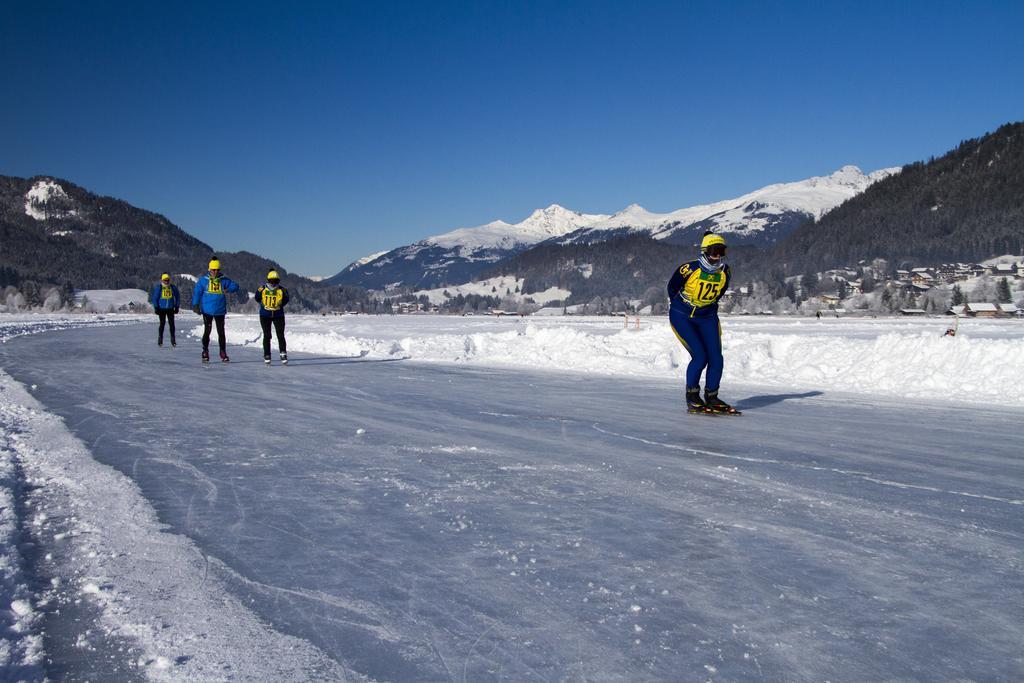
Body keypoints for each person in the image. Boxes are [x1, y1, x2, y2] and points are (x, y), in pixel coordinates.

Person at [667, 232, 738, 414]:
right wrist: (684, 305)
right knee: (700, 357)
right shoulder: (689, 269)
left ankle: (712, 397)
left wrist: (705, 306)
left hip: (708, 317)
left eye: (721, 251)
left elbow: (720, 292)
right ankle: (692, 396)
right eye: (714, 251)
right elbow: (672, 287)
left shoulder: (725, 271)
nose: (718, 255)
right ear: (705, 251)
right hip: (682, 316)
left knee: (716, 358)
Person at [191, 257, 240, 363]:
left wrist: (228, 289)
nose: (215, 272)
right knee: (207, 331)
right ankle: (205, 351)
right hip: (207, 310)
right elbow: (197, 292)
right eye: (213, 270)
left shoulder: (223, 280)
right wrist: (195, 305)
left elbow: (235, 286)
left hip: (220, 310)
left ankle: (223, 352)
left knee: (221, 333)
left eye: (217, 270)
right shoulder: (204, 280)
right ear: (209, 269)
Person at [256, 270, 290, 364]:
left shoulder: (282, 290)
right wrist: (262, 305)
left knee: (280, 335)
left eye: (276, 281)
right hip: (265, 315)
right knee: (267, 335)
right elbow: (257, 297)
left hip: (278, 315)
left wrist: (279, 306)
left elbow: (286, 299)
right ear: (268, 280)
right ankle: (267, 354)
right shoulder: (262, 289)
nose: (274, 283)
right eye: (272, 281)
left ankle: (283, 353)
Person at [149, 273, 179, 347]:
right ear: (162, 280)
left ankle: (173, 339)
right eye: (165, 280)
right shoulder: (159, 288)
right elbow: (155, 298)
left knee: (172, 325)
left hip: (170, 309)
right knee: (162, 324)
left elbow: (177, 297)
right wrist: (156, 307)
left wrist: (177, 306)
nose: (166, 282)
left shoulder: (172, 287)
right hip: (161, 309)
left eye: (168, 280)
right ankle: (160, 338)